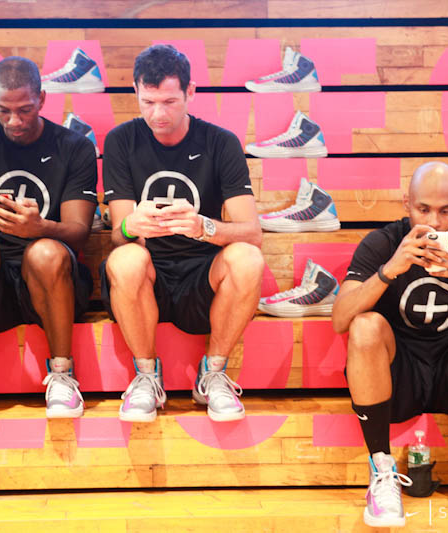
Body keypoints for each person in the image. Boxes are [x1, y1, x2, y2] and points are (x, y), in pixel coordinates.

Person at [332, 162, 448, 531]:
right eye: (423, 209)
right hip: (400, 374)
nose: (434, 222)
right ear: (406, 203)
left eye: (445, 211)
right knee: (365, 325)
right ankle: (382, 471)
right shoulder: (383, 242)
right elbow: (340, 318)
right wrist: (389, 270)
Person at [101, 44, 264, 423]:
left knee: (248, 258)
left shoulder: (220, 141)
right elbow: (118, 236)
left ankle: (213, 375)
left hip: (201, 276)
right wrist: (130, 225)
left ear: (191, 92)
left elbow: (252, 233)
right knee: (126, 258)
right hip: (149, 275)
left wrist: (203, 227)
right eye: (148, 102)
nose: (158, 114)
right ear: (135, 91)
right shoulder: (121, 140)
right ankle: (146, 376)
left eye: (170, 102)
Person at [0, 56, 97, 436]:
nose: (14, 121)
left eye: (25, 110)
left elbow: (80, 232)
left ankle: (62, 375)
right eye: (4, 110)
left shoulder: (75, 147)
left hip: (52, 280)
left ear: (42, 99)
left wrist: (39, 227)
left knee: (44, 251)